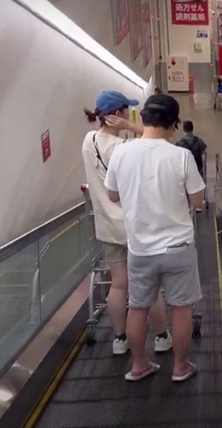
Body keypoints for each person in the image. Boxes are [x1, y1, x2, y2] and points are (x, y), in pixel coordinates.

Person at [104, 94, 205, 382]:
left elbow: (112, 194)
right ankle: (180, 367)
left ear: (143, 119)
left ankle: (138, 366)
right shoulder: (181, 156)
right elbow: (197, 202)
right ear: (173, 125)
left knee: (138, 307)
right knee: (181, 308)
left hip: (141, 248)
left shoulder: (121, 153)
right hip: (178, 247)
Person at [82, 91, 171, 357]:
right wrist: (132, 128)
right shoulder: (123, 149)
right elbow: (157, 139)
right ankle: (162, 336)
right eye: (127, 112)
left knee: (118, 284)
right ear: (118, 115)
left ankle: (119, 340)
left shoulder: (89, 141)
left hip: (108, 227)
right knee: (148, 284)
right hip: (135, 226)